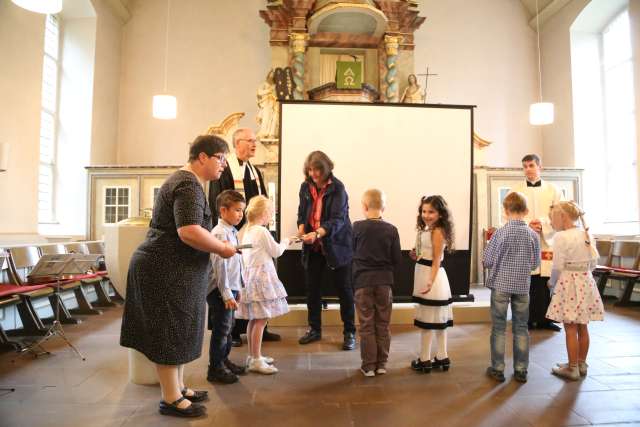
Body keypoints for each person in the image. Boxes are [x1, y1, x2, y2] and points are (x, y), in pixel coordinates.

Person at [120, 135, 237, 418]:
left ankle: (179, 387)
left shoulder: (189, 183)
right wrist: (222, 248)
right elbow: (188, 231)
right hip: (165, 269)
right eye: (220, 158)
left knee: (181, 327)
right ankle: (170, 398)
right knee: (170, 329)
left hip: (174, 270)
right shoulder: (187, 184)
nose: (223, 165)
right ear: (202, 157)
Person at [208, 127, 280, 346]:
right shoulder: (225, 168)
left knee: (253, 282)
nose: (254, 144)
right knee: (234, 280)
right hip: (232, 234)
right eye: (250, 140)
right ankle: (232, 331)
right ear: (237, 143)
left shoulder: (255, 171)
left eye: (255, 140)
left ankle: (260, 325)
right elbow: (217, 202)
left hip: (252, 234)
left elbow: (262, 201)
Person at [296, 151, 356, 351]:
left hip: (337, 245)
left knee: (344, 290)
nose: (313, 173)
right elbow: (302, 212)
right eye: (310, 169)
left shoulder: (338, 188)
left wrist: (319, 232)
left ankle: (349, 332)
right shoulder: (305, 187)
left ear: (326, 168)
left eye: (317, 169)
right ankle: (314, 329)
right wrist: (301, 228)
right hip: (312, 246)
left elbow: (339, 220)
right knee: (312, 289)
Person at [483, 192, 541, 383]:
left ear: (505, 211)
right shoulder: (533, 235)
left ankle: (498, 368)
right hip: (523, 287)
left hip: (500, 285)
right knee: (521, 328)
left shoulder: (500, 233)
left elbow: (487, 260)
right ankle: (521, 369)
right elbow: (534, 264)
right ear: (526, 211)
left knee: (499, 327)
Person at [546, 201, 604, 381]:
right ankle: (581, 363)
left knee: (570, 327)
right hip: (586, 281)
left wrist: (552, 282)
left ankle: (571, 369)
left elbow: (557, 266)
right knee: (583, 326)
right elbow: (593, 263)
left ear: (562, 217)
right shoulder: (587, 233)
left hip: (568, 282)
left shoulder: (561, 237)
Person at [237, 196, 292, 374]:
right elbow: (276, 251)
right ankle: (256, 360)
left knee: (255, 319)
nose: (271, 216)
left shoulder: (248, 230)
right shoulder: (261, 231)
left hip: (250, 277)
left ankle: (254, 355)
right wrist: (286, 241)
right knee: (260, 320)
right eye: (270, 212)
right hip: (261, 279)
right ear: (264, 213)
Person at [352, 189, 402, 377]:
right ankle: (382, 364)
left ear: (364, 207)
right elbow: (397, 259)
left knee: (366, 324)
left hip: (362, 282)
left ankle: (368, 366)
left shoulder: (356, 227)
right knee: (383, 323)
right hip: (384, 283)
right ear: (384, 208)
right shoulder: (391, 230)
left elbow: (350, 252)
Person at [510, 154, 563, 331]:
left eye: (531, 165)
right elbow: (508, 214)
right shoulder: (515, 190)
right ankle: (527, 318)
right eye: (524, 166)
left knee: (545, 280)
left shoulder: (553, 189)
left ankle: (546, 319)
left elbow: (560, 214)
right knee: (528, 280)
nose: (528, 169)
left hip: (546, 241)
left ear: (540, 166)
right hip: (524, 241)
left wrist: (543, 225)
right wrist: (526, 225)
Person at [206, 190, 248, 384]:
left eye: (242, 211)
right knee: (222, 328)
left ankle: (224, 360)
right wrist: (226, 293)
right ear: (223, 210)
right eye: (237, 210)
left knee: (229, 326)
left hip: (231, 287)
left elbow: (235, 262)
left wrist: (238, 287)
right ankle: (215, 368)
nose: (241, 214)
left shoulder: (231, 230)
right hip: (220, 290)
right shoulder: (219, 233)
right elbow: (219, 265)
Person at [410, 195, 454, 373]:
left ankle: (425, 359)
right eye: (424, 211)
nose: (426, 215)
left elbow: (436, 260)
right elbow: (424, 253)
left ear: (441, 214)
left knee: (429, 321)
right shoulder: (426, 230)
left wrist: (430, 282)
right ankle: (442, 357)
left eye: (431, 212)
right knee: (435, 320)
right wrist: (416, 255)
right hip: (424, 273)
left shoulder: (437, 231)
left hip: (432, 277)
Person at [256, 69, 279, 140]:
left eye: (273, 75)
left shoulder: (276, 86)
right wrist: (268, 91)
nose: (271, 76)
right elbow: (259, 92)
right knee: (266, 118)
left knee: (274, 119)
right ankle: (264, 133)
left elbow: (278, 94)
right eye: (271, 74)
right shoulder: (263, 84)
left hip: (274, 104)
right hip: (266, 103)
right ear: (268, 75)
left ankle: (272, 133)